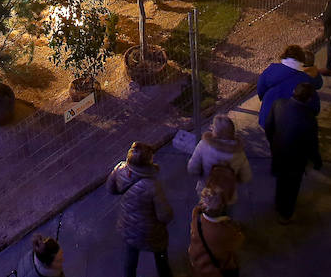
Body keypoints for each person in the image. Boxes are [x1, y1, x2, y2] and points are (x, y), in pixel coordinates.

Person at [107, 142, 175, 277]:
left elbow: (111, 189)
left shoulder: (119, 168)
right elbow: (164, 215)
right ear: (146, 163)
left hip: (128, 225)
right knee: (161, 255)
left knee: (130, 258)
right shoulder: (152, 185)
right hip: (151, 230)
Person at [266, 82, 322, 224]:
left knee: (281, 181)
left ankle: (278, 204)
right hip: (296, 160)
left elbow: (269, 126)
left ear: (293, 91)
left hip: (278, 152)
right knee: (292, 188)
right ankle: (286, 215)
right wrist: (317, 161)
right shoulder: (309, 118)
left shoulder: (278, 104)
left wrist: (273, 143)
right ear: (309, 99)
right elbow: (312, 144)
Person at [186, 115, 253, 204]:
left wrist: (202, 175)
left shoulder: (204, 145)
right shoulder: (239, 152)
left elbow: (192, 168)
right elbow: (246, 176)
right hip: (227, 193)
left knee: (206, 210)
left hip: (207, 191)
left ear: (216, 131)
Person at [255, 45, 325, 131]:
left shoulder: (272, 68)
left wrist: (266, 99)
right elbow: (314, 105)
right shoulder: (305, 79)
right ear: (301, 60)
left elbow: (260, 88)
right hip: (290, 125)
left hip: (267, 119)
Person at [188, 184, 243, 277]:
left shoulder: (196, 214)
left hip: (198, 264)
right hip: (214, 271)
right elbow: (239, 240)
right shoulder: (223, 231)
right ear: (221, 207)